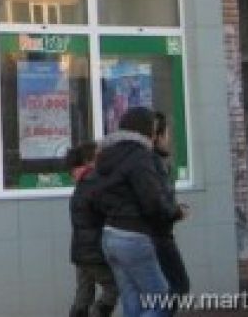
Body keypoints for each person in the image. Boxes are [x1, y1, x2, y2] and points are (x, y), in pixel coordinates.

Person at [94, 106, 183, 317]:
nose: (155, 134)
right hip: (134, 236)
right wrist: (174, 212)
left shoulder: (107, 156)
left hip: (110, 235)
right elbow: (152, 201)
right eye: (153, 128)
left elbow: (97, 197)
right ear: (144, 129)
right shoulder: (140, 156)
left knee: (132, 301)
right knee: (162, 302)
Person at [64, 141, 118, 317]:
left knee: (84, 293)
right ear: (90, 161)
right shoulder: (94, 183)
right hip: (93, 251)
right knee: (113, 287)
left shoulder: (82, 184)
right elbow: (107, 210)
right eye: (100, 156)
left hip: (81, 250)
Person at [151, 112, 190, 310]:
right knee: (179, 285)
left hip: (155, 233)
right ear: (156, 137)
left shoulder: (156, 162)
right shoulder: (155, 163)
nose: (169, 140)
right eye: (166, 134)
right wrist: (175, 212)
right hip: (158, 235)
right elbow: (158, 200)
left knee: (150, 292)